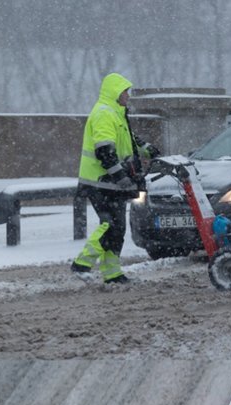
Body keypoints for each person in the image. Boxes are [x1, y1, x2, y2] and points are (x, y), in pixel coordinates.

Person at [71, 73, 157, 284]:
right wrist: (120, 176)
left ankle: (112, 273)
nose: (128, 95)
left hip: (111, 183)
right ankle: (82, 263)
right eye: (125, 91)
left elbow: (128, 138)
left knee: (118, 228)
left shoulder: (117, 114)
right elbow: (104, 151)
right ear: (115, 92)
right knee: (111, 225)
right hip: (100, 181)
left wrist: (145, 149)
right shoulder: (104, 114)